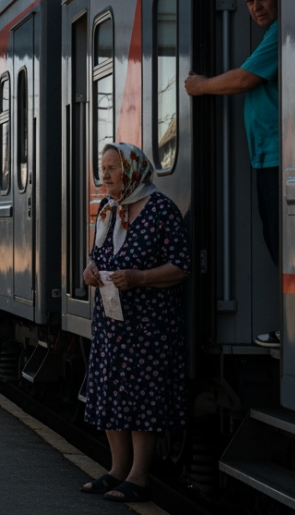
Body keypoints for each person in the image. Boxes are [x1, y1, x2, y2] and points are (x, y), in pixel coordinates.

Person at [80, 143, 190, 504]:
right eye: (103, 168)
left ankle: (139, 477)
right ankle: (117, 470)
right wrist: (90, 271)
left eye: (113, 168)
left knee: (143, 397)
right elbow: (97, 258)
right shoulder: (108, 209)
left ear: (132, 171)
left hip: (148, 326)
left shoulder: (160, 209)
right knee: (112, 391)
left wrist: (140, 278)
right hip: (111, 323)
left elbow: (181, 267)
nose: (106, 174)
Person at [184, 0, 280, 347]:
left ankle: (294, 324)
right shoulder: (272, 34)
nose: (257, 7)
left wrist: (202, 85)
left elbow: (244, 78)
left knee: (282, 245)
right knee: (276, 243)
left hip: (277, 157)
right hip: (266, 157)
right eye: (250, 1)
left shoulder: (280, 32)